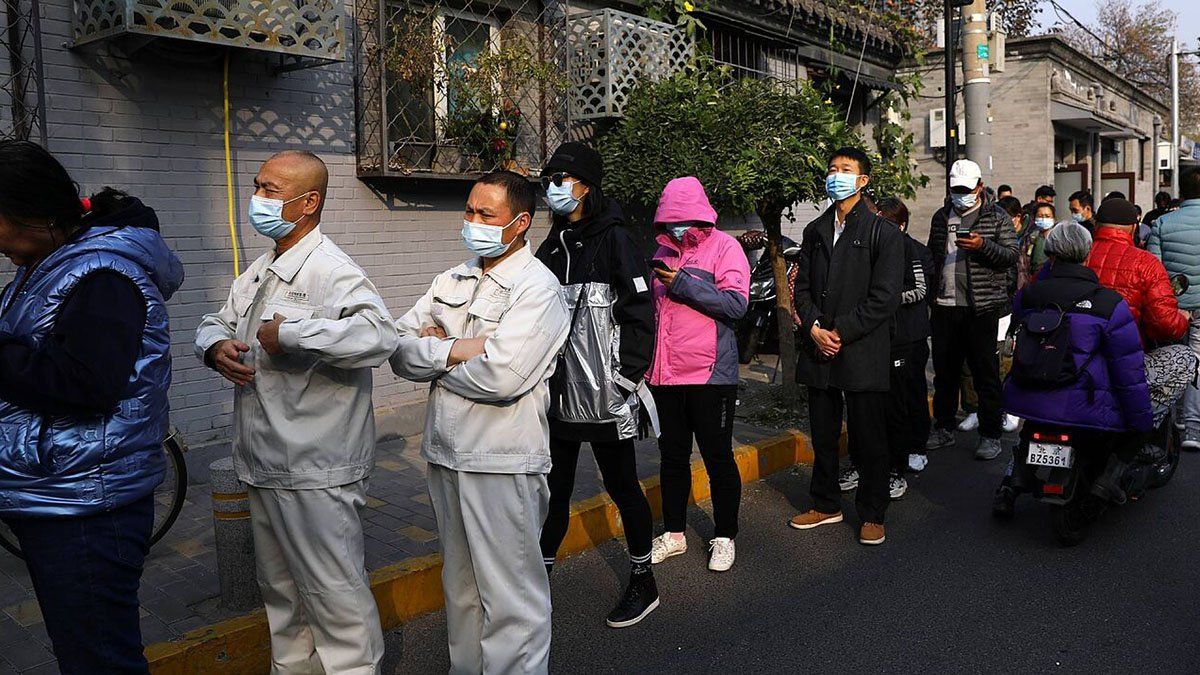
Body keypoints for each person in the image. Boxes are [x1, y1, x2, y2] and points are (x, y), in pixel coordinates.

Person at [195, 151, 397, 673]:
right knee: (282, 601)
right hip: (263, 463)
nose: (257, 199)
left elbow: (379, 337)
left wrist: (293, 333)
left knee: (336, 604)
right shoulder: (260, 270)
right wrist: (214, 347)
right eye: (257, 186)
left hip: (316, 469)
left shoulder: (333, 270)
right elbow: (218, 321)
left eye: (270, 189)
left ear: (308, 203)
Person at [0, 141, 182, 673]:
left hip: (86, 504)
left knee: (99, 660)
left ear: (31, 213)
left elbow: (84, 384)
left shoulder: (103, 274)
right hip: (55, 491)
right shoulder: (49, 262)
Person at [391, 171, 569, 673]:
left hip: (501, 461)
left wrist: (435, 351)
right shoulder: (451, 279)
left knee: (512, 601)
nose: (472, 221)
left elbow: (501, 377)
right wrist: (460, 350)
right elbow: (397, 347)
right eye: (469, 211)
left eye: (486, 214)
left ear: (520, 223)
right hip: (445, 454)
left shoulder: (538, 289)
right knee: (462, 590)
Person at [533, 142, 660, 628]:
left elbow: (640, 312)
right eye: (548, 180)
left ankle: (643, 579)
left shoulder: (616, 239)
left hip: (607, 393)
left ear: (586, 186)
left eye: (560, 179)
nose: (552, 188)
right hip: (559, 395)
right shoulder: (551, 246)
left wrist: (626, 379)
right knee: (554, 491)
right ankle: (537, 584)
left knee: (622, 485)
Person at [994, 222, 1152, 515]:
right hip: (1084, 406)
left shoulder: (1028, 296)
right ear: (1088, 255)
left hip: (1027, 398)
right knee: (1136, 431)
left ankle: (1013, 481)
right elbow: (1128, 372)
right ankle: (1106, 482)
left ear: (1050, 255)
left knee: (1031, 429)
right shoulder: (1109, 303)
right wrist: (1141, 420)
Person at [789, 147, 904, 546]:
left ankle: (872, 512)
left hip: (861, 348)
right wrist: (814, 328)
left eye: (846, 169)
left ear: (863, 180)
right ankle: (825, 503)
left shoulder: (883, 233)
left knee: (867, 437)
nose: (836, 175)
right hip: (819, 347)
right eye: (832, 169)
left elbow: (885, 297)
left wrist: (839, 331)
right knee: (823, 434)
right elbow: (801, 288)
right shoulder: (815, 230)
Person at [647, 176, 749, 570]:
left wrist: (684, 284)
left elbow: (736, 305)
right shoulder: (661, 252)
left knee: (717, 457)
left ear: (700, 215)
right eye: (668, 219)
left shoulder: (725, 247)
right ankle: (674, 533)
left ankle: (724, 536)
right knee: (672, 458)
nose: (675, 227)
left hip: (710, 375)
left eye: (682, 218)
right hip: (665, 376)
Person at [925, 159, 1019, 460]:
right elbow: (933, 256)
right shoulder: (941, 216)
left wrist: (982, 246)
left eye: (966, 189)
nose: (961, 194)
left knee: (985, 374)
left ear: (980, 187)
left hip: (982, 308)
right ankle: (944, 427)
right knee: (945, 375)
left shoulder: (997, 216)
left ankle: (990, 434)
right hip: (945, 306)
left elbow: (1011, 255)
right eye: (956, 189)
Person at [1086, 197, 1192, 456]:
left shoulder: (1075, 256)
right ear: (1134, 228)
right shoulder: (1145, 263)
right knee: (1185, 359)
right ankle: (1140, 434)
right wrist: (1183, 319)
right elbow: (1166, 325)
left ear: (1096, 224)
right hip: (1126, 362)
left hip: (1071, 359)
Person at [1148, 167, 1200, 449]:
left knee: (1171, 360)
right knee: (1198, 362)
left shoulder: (1162, 223)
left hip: (1172, 306)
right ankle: (1193, 428)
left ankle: (1169, 419)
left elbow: (1154, 270)